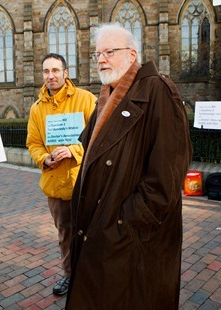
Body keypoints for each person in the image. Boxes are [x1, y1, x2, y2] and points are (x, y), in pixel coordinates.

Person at [66, 23, 192, 309]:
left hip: (130, 239)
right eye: (98, 54)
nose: (101, 59)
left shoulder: (158, 91)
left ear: (132, 55)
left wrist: (124, 224)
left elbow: (167, 177)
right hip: (103, 232)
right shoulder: (108, 96)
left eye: (110, 52)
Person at [26, 53, 96, 295]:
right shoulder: (37, 108)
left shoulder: (86, 99)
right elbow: (33, 143)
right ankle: (69, 275)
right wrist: (44, 158)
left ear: (66, 73)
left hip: (84, 183)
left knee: (91, 233)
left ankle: (93, 277)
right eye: (46, 71)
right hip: (56, 185)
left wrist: (74, 150)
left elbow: (100, 137)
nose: (50, 76)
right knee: (65, 234)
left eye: (55, 70)